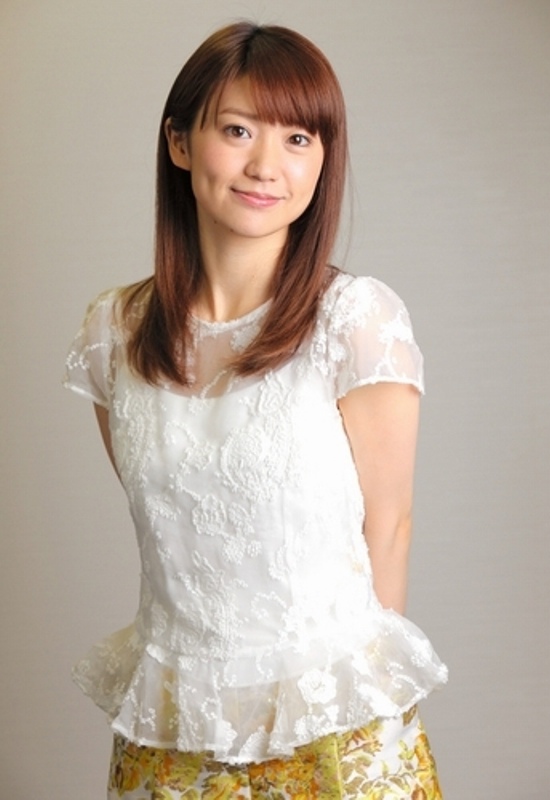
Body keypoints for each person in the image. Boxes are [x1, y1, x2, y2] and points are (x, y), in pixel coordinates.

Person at [64, 21, 447, 799]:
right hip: (171, 732)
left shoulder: (355, 321)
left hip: (331, 727)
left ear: (323, 159)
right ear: (180, 142)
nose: (267, 165)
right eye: (238, 130)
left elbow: (390, 527)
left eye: (298, 139)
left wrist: (366, 723)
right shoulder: (115, 332)